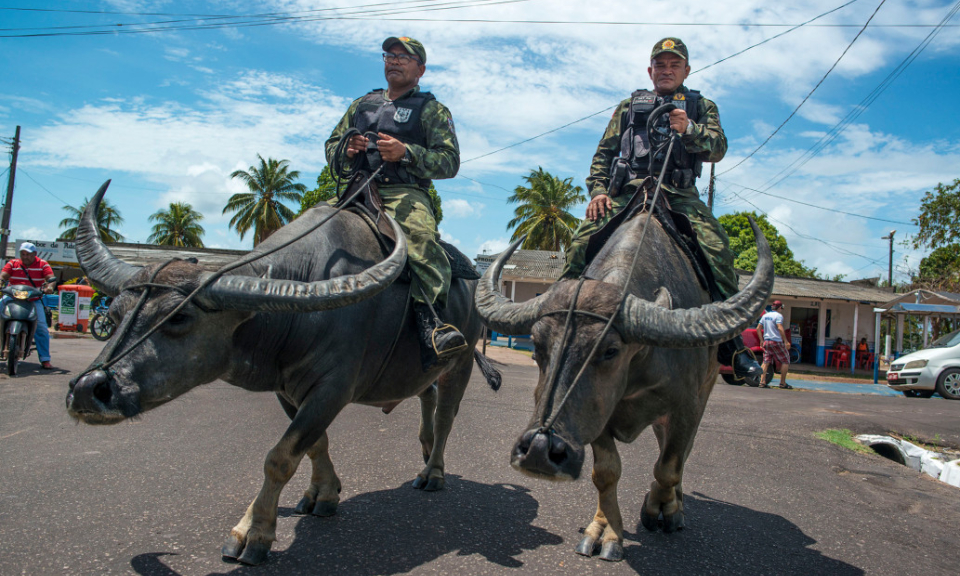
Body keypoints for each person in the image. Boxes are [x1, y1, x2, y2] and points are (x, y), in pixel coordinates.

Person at [561, 37, 761, 381]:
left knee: (719, 253)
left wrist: (690, 129)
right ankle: (559, 321)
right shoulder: (627, 106)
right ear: (650, 70)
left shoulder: (702, 106)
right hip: (628, 191)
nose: (666, 71)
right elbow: (603, 155)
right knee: (580, 244)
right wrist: (597, 192)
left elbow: (718, 148)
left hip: (678, 193)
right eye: (660, 65)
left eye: (674, 65)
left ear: (686, 69)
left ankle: (730, 344)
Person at [325, 36, 464, 369]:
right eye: (390, 55)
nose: (395, 60)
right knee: (310, 226)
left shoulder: (432, 109)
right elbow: (332, 146)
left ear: (420, 69)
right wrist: (346, 149)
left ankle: (430, 322)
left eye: (405, 57)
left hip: (404, 192)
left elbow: (450, 162)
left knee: (421, 240)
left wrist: (407, 152)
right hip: (356, 189)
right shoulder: (361, 104)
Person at [0, 242, 57, 369]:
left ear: (35, 254)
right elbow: (3, 276)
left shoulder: (42, 264)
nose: (25, 257)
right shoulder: (13, 263)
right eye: (23, 254)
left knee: (41, 327)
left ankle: (45, 359)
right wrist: (0, 281)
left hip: (33, 299)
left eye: (28, 254)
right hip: (11, 297)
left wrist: (49, 287)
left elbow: (50, 278)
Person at [756, 301, 792, 389]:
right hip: (776, 341)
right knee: (785, 360)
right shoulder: (778, 316)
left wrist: (761, 340)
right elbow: (779, 327)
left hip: (767, 341)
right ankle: (782, 383)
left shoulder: (765, 316)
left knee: (766, 361)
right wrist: (786, 341)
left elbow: (758, 328)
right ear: (780, 308)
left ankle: (762, 382)